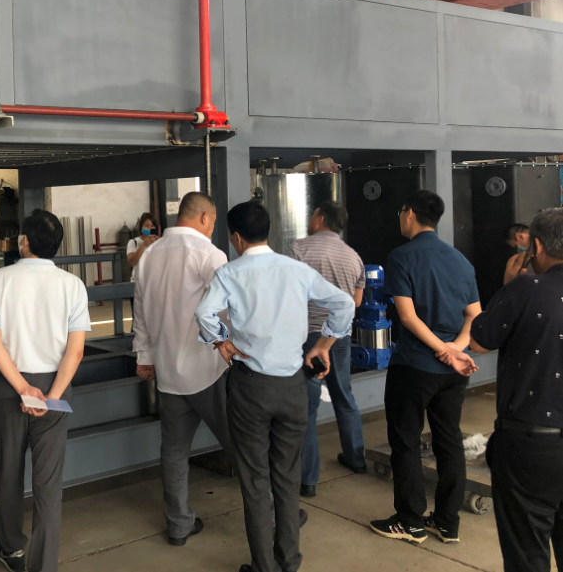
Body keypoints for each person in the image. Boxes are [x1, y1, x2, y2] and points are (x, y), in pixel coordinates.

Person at [195, 201, 355, 572]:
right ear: (268, 231)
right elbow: (344, 303)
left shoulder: (229, 273)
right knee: (287, 475)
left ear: (236, 237)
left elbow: (203, 313)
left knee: (255, 480)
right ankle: (289, 560)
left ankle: (264, 566)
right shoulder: (296, 269)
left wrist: (221, 342)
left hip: (250, 387)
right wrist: (323, 344)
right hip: (293, 385)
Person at [441, 208, 563, 572]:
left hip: (532, 444)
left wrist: (509, 285)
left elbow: (480, 339)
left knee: (527, 553)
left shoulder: (527, 289)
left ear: (535, 247)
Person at [369, 190, 481, 546]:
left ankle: (410, 521)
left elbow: (407, 317)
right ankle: (447, 523)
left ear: (410, 214)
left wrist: (442, 350)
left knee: (405, 441)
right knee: (449, 441)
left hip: (415, 365)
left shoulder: (402, 256)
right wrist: (456, 350)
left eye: (401, 212)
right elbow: (474, 316)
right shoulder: (460, 260)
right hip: (452, 371)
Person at [0, 209, 91, 572]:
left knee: (9, 472)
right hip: (55, 388)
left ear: (23, 242)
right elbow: (75, 351)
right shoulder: (72, 285)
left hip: (9, 388)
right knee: (48, 482)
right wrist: (52, 396)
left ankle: (11, 548)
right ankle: (44, 565)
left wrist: (23, 387)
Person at [132, 192, 233, 546]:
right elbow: (227, 310)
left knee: (174, 452)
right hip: (210, 371)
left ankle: (178, 524)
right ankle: (273, 516)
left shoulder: (148, 255)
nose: (213, 228)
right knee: (243, 446)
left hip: (168, 373)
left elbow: (140, 311)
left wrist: (145, 356)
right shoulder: (209, 254)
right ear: (204, 217)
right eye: (214, 221)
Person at [289, 201, 367, 498]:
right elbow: (356, 302)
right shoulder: (353, 256)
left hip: (309, 335)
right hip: (340, 335)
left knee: (306, 405)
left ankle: (308, 479)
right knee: (343, 394)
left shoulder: (299, 249)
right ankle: (357, 458)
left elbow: (290, 292)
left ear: (320, 219)